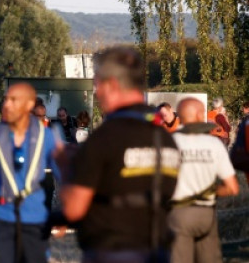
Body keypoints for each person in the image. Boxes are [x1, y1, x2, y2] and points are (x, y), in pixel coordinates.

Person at [59, 46, 181, 263]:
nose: (96, 93)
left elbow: (73, 209)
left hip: (112, 251)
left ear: (112, 85)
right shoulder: (164, 138)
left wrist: (66, 167)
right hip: (158, 251)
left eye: (97, 85)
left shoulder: (104, 139)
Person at [0, 81, 64, 263]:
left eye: (13, 100)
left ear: (29, 105)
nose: (6, 105)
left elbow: (65, 175)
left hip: (34, 219)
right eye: (6, 99)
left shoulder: (46, 136)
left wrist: (64, 213)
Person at [167, 97, 239, 263]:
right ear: (201, 115)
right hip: (206, 213)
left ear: (180, 117)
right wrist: (209, 192)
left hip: (178, 213)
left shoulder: (169, 142)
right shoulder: (213, 145)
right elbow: (233, 188)